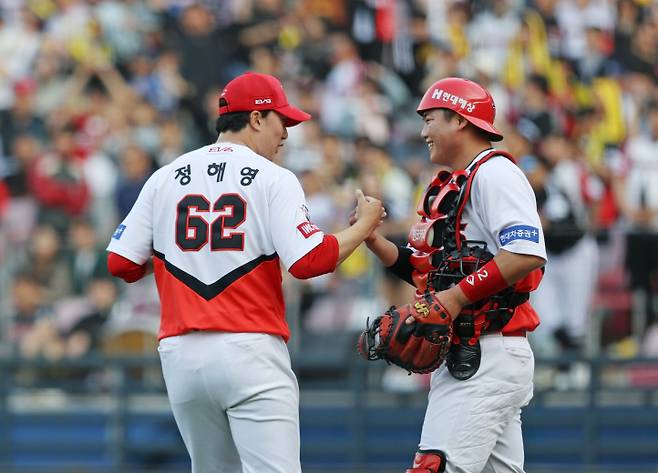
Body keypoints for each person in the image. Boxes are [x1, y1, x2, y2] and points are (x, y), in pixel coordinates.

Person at [106, 71, 385, 473]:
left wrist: (178, 254)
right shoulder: (274, 178)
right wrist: (364, 226)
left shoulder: (165, 176)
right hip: (248, 348)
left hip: (181, 355)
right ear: (256, 119)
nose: (286, 133)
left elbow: (121, 263)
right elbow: (310, 261)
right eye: (281, 121)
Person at [357, 77, 547, 472]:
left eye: (430, 119)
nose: (424, 131)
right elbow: (431, 274)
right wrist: (372, 239)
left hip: (485, 352)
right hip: (476, 352)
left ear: (459, 120)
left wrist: (455, 298)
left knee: (434, 467)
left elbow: (526, 253)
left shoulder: (495, 174)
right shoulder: (455, 182)